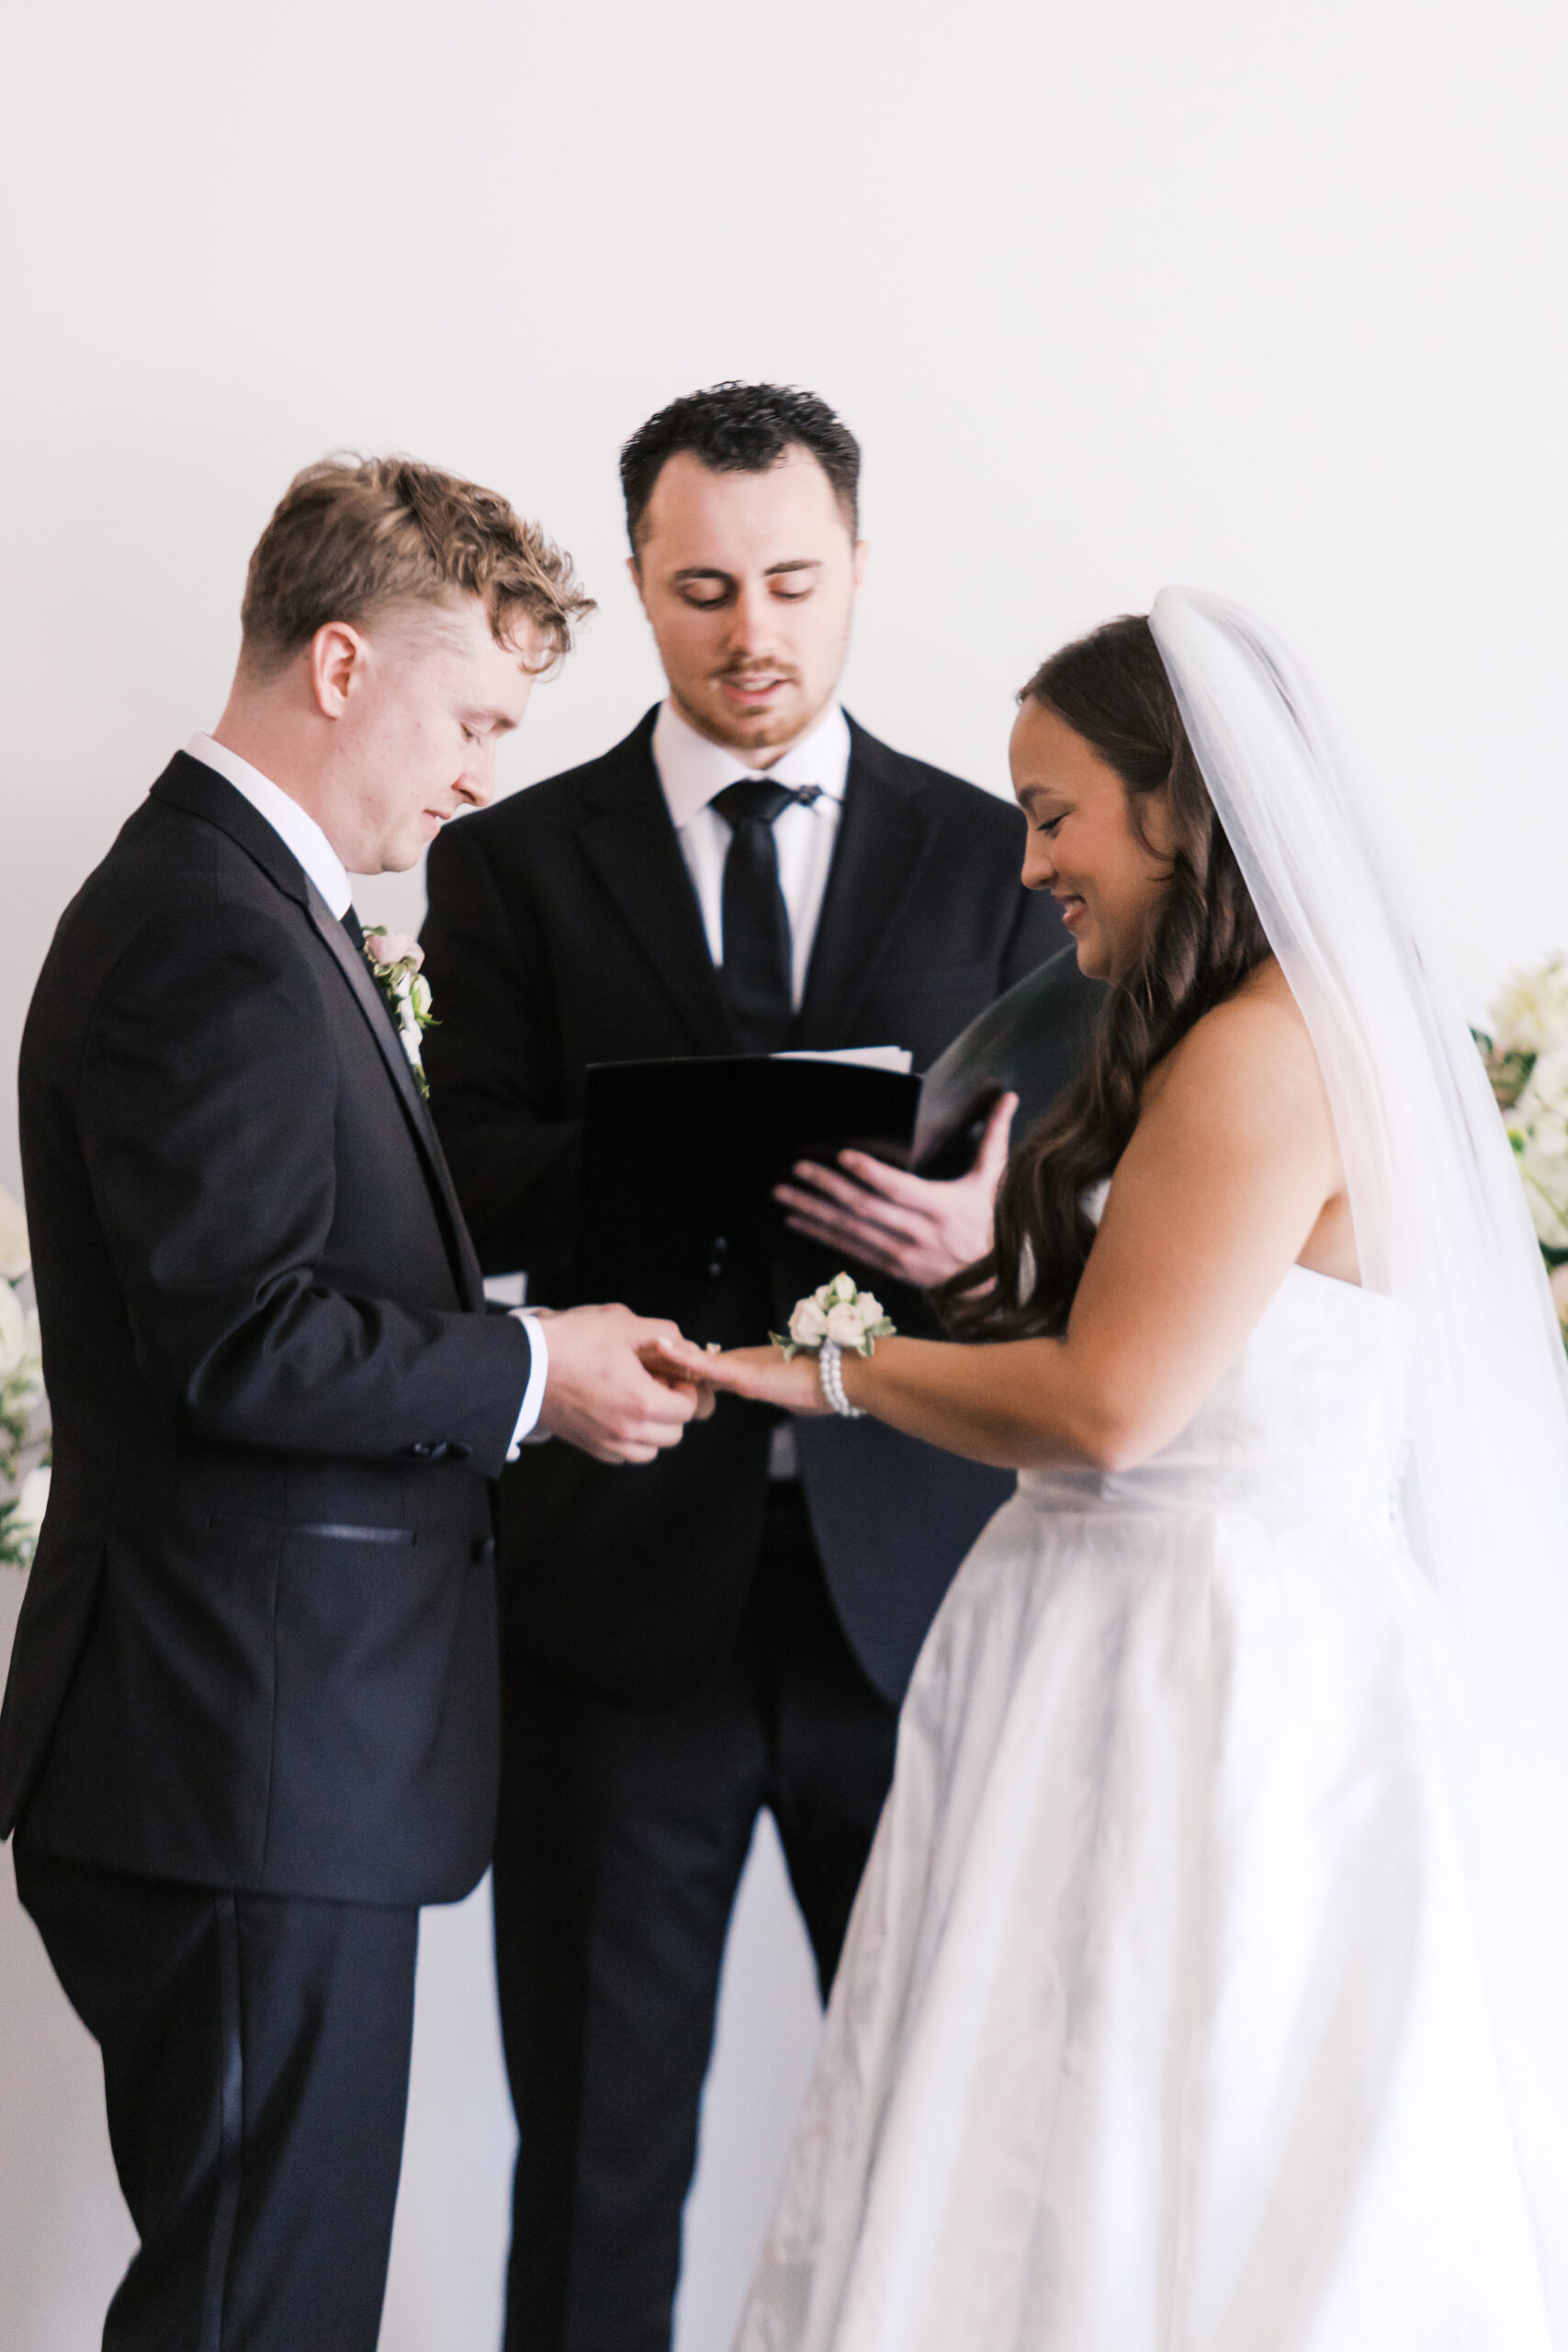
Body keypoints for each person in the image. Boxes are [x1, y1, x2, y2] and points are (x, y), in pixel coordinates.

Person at [669, 594, 1568, 2348]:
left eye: (1057, 813)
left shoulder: (1264, 1045)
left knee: (1170, 2140)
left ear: (1181, 809)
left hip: (1207, 1674)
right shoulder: (1229, 1029)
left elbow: (1110, 1409)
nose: (1032, 863)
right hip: (1124, 1639)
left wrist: (813, 1373)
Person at [0, 455, 706, 2352]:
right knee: (259, 2313)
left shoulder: (244, 907)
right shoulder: (207, 932)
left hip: (267, 1746)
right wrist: (533, 1371)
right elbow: (241, 1339)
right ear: (335, 664)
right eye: (472, 715)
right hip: (242, 1749)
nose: (481, 773)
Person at [417, 381, 1091, 2350]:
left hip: (924, 1599)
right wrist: (680, 1145)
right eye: (701, 587)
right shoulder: (518, 862)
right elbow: (450, 1170)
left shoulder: (998, 855)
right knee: (601, 2158)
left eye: (791, 581)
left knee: (953, 2157)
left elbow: (1077, 1202)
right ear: (637, 580)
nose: (750, 631)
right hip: (618, 1600)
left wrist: (985, 1235)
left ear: (857, 570)